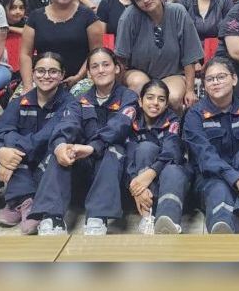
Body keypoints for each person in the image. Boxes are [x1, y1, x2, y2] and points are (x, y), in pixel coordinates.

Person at [26, 48, 138, 236]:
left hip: (117, 167)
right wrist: (61, 145)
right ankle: (52, 217)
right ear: (88, 73)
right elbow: (68, 123)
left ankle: (98, 216)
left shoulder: (129, 97)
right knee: (60, 153)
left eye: (106, 65)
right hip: (85, 163)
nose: (100, 70)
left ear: (117, 69)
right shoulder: (80, 99)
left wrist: (91, 147)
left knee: (112, 150)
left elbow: (120, 126)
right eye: (94, 66)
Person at [70, 79, 188, 236]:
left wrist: (149, 174)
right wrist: (136, 184)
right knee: (140, 149)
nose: (155, 103)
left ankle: (167, 220)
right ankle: (148, 217)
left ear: (167, 104)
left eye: (161, 99)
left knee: (167, 165)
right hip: (132, 181)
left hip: (162, 177)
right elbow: (126, 153)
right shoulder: (131, 117)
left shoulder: (172, 120)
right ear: (140, 100)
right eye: (150, 97)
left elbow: (172, 152)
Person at [182, 57, 239, 234]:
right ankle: (225, 232)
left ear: (234, 79)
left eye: (221, 77)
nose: (215, 83)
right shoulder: (194, 115)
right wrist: (238, 180)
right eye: (210, 79)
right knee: (219, 189)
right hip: (210, 179)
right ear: (204, 85)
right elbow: (205, 157)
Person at [0, 52, 73, 234]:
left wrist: (14, 153)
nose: (46, 76)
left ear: (62, 75)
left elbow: (47, 135)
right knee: (8, 137)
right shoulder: (19, 102)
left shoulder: (69, 103)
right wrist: (1, 152)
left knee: (46, 152)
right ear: (33, 74)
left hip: (48, 159)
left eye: (53, 71)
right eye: (40, 71)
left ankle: (24, 203)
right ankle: (24, 200)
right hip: (24, 160)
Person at [115, 0, 203, 114]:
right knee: (138, 87)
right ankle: (136, 129)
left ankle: (172, 132)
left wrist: (190, 90)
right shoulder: (129, 16)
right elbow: (120, 58)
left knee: (172, 98)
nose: (145, 0)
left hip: (172, 74)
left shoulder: (178, 12)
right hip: (138, 72)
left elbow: (190, 56)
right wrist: (117, 89)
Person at [20, 0, 103, 92]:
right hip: (43, 78)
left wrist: (78, 77)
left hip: (79, 80)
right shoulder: (35, 17)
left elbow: (95, 53)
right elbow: (25, 55)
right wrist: (27, 85)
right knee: (18, 104)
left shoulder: (88, 16)